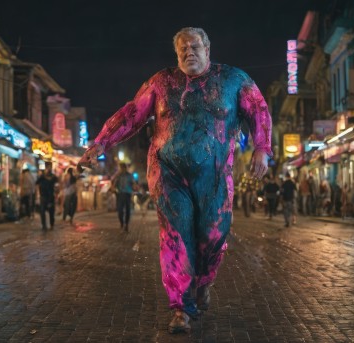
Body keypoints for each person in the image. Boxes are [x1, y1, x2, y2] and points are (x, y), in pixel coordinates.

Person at [78, 27, 272, 333]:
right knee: (176, 237)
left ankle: (203, 282)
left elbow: (258, 110)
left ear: (208, 49)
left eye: (195, 47)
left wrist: (262, 148)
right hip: (168, 172)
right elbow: (132, 113)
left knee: (213, 237)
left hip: (216, 176)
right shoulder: (161, 82)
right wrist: (101, 142)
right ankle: (181, 307)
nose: (189, 52)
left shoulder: (235, 80)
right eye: (182, 49)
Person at [112, 163, 136, 232]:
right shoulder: (118, 176)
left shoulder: (129, 175)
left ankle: (126, 224)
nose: (121, 169)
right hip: (120, 194)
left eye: (122, 167)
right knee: (120, 210)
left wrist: (134, 186)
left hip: (127, 194)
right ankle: (122, 223)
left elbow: (133, 184)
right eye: (120, 168)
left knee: (128, 210)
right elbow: (113, 182)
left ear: (125, 168)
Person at [36, 162, 58, 230]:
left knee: (51, 212)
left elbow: (57, 185)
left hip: (51, 196)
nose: (48, 168)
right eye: (47, 166)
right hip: (43, 196)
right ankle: (44, 225)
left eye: (49, 166)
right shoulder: (42, 176)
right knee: (42, 212)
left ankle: (51, 225)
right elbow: (36, 183)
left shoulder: (54, 177)